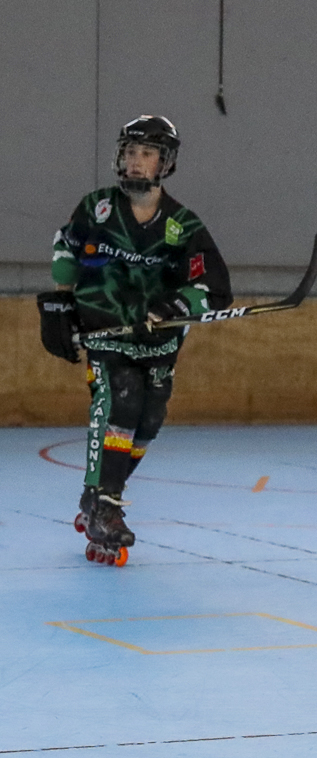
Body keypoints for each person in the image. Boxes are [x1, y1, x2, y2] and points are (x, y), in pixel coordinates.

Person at [37, 116, 232, 566]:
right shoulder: (97, 208)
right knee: (120, 399)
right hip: (106, 333)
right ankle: (105, 505)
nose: (135, 162)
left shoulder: (182, 225)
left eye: (146, 154)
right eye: (129, 152)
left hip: (158, 342)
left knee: (149, 420)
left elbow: (214, 287)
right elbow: (66, 248)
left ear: (165, 163)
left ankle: (98, 496)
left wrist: (171, 307)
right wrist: (59, 304)